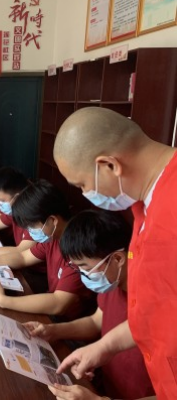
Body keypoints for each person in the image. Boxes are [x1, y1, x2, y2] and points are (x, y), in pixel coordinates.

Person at [53, 107, 177, 399]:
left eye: (82, 185)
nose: (85, 195)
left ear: (109, 165)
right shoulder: (145, 204)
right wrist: (105, 346)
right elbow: (156, 312)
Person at [25, 210, 154, 400]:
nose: (82, 274)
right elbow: (96, 322)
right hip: (106, 385)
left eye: (85, 267)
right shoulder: (113, 284)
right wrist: (53, 331)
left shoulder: (159, 303)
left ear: (117, 259)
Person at [0, 180, 95, 320]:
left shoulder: (78, 250)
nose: (29, 231)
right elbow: (22, 257)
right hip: (51, 303)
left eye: (32, 226)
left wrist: (3, 301)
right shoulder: (52, 238)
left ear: (52, 221)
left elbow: (59, 303)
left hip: (68, 320)